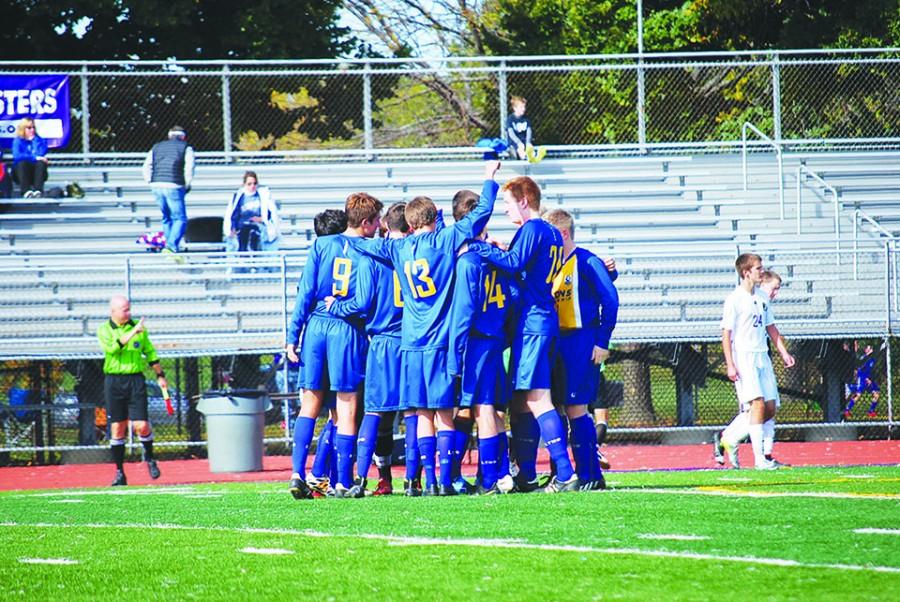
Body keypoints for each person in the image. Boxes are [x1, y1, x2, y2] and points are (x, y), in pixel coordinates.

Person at [353, 161, 501, 496]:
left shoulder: (397, 247)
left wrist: (340, 237)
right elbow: (481, 214)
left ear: (409, 223)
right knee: (443, 412)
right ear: (435, 219)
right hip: (438, 341)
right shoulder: (445, 240)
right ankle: (444, 482)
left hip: (410, 342)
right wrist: (489, 178)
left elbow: (367, 244)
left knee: (419, 412)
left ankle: (425, 481)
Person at [467, 175, 578, 493]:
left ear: (524, 201)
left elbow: (515, 263)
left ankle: (566, 473)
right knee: (520, 401)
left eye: (506, 203)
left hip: (533, 323)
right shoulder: (550, 233)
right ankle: (527, 474)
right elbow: (526, 263)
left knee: (537, 398)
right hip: (536, 322)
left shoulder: (533, 228)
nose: (504, 211)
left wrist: (482, 248)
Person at [285, 193, 383, 499]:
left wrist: (292, 335)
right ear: (366, 223)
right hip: (347, 330)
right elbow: (365, 301)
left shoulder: (320, 244)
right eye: (376, 220)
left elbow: (305, 293)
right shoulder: (369, 250)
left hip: (315, 327)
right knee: (346, 407)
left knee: (310, 404)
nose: (378, 225)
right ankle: (341, 481)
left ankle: (297, 473)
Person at [324, 202, 411, 498]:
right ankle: (416, 482)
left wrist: (336, 306)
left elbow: (360, 303)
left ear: (385, 226)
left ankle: (363, 479)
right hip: (413, 342)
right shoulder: (418, 252)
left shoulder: (370, 257)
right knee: (414, 412)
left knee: (373, 412)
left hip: (384, 342)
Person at [448, 189, 519, 495]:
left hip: (474, 342)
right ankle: (496, 474)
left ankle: (488, 479)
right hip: (494, 339)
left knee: (480, 409)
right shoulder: (497, 255)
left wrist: (456, 351)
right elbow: (514, 296)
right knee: (486, 409)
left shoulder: (467, 261)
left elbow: (463, 311)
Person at [545, 209, 619, 490]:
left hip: (581, 342)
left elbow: (610, 300)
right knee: (559, 408)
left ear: (563, 233)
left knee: (576, 407)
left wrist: (602, 341)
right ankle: (562, 473)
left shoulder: (586, 260)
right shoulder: (552, 263)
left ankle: (590, 474)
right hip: (557, 343)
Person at [721, 257, 795, 471]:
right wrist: (730, 364)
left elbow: (771, 327)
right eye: (758, 268)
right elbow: (726, 334)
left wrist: (784, 352)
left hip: (762, 356)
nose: (761, 272)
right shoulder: (734, 299)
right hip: (744, 356)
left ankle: (731, 438)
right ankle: (759, 459)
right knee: (758, 404)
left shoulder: (762, 296)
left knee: (770, 408)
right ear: (746, 272)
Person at [96, 295, 166, 486]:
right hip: (114, 381)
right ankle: (120, 472)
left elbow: (150, 352)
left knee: (141, 425)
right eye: (124, 310)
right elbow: (112, 350)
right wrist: (133, 332)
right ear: (114, 312)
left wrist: (160, 375)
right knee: (117, 428)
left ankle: (150, 458)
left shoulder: (140, 330)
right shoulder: (104, 330)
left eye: (129, 309)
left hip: (135, 380)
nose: (128, 313)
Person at [142, 125, 194, 253]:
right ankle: (171, 246)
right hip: (174, 185)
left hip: (156, 185)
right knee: (180, 218)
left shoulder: (156, 147)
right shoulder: (186, 148)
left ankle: (169, 245)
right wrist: (186, 184)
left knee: (166, 217)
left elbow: (146, 167)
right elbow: (189, 168)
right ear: (183, 137)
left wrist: (150, 181)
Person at [223, 171, 280, 252]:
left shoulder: (263, 196)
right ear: (244, 184)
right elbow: (234, 215)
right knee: (242, 237)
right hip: (243, 226)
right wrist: (233, 228)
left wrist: (261, 219)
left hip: (258, 226)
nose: (252, 186)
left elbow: (270, 214)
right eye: (249, 184)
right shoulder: (238, 197)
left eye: (254, 183)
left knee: (255, 236)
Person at [843, 341, 881, 419]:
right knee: (858, 395)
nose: (866, 349)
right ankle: (847, 410)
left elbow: (873, 371)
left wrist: (870, 379)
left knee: (876, 394)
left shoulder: (873, 359)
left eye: (868, 348)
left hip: (869, 380)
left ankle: (871, 411)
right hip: (863, 379)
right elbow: (859, 369)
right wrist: (863, 378)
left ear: (871, 349)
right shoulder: (864, 358)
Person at [12, 117, 49, 198]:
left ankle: (38, 190)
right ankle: (26, 191)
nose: (32, 130)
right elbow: (17, 156)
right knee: (22, 163)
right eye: (29, 128)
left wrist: (34, 141)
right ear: (23, 129)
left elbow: (41, 153)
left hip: (36, 174)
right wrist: (34, 158)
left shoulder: (39, 140)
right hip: (21, 174)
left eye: (33, 127)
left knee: (41, 163)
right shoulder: (18, 141)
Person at [506, 96, 545, 163]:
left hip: (524, 140)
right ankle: (526, 158)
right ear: (515, 108)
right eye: (521, 107)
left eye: (524, 107)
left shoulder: (526, 119)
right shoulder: (510, 119)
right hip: (514, 142)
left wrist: (528, 142)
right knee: (521, 149)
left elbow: (529, 132)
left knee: (530, 147)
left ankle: (534, 158)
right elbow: (511, 134)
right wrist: (519, 143)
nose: (523, 109)